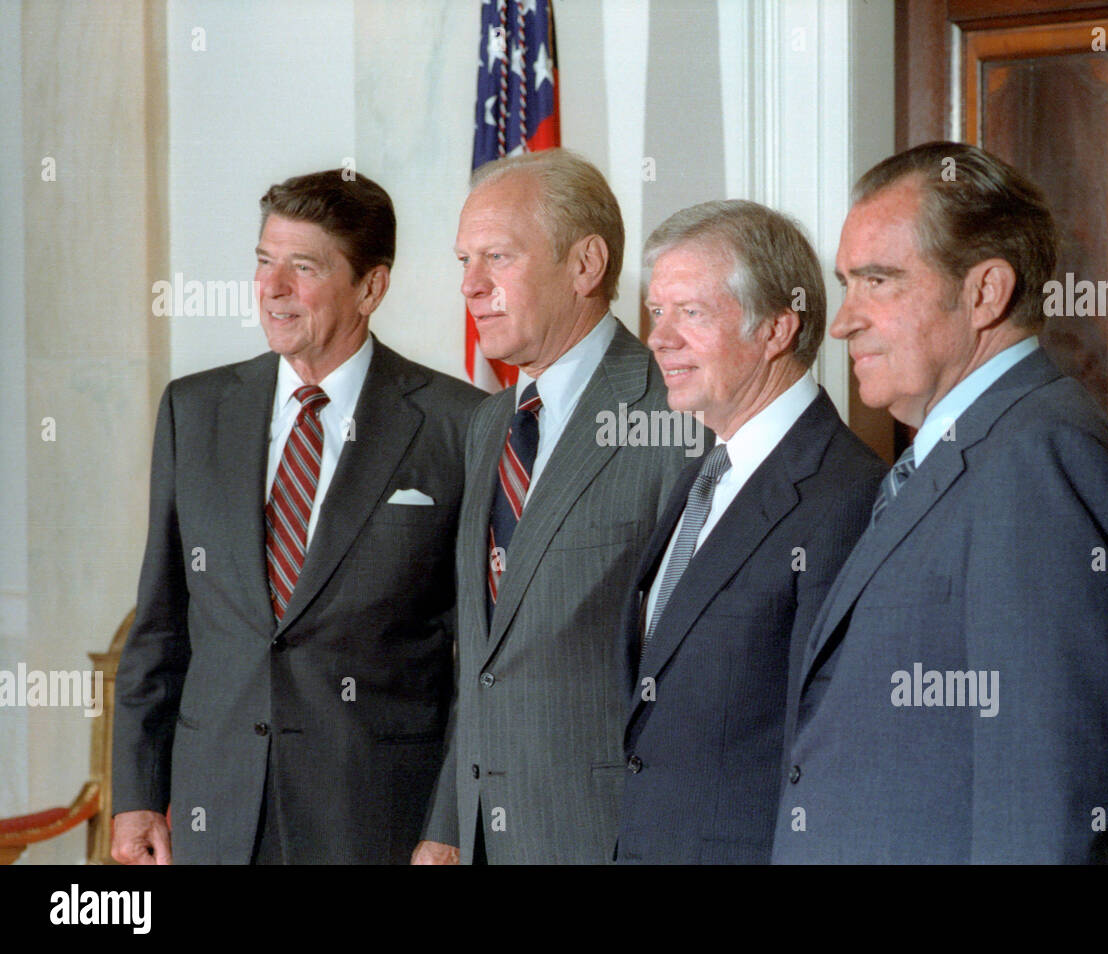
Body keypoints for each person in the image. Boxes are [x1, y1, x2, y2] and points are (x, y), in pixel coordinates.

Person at [772, 142, 1108, 864]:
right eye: (847, 283)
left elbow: (1045, 801)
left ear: (985, 293)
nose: (844, 321)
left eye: (878, 281)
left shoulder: (1038, 457)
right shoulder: (967, 446)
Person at [111, 170, 484, 864]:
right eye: (264, 261)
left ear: (370, 288)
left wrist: (450, 826)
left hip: (375, 819)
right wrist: (135, 793)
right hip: (216, 814)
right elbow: (160, 623)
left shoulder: (457, 424)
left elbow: (480, 664)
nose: (273, 287)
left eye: (303, 267)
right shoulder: (194, 410)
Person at [414, 149, 697, 865]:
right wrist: (447, 825)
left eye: (497, 258)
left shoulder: (675, 411)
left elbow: (694, 674)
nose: (471, 285)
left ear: (585, 264)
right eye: (464, 261)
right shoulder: (488, 423)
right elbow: (483, 659)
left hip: (604, 836)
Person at [614, 200, 885, 863]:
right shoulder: (700, 477)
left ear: (776, 330)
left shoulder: (847, 495)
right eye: (657, 312)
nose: (659, 338)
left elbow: (830, 749)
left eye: (690, 313)